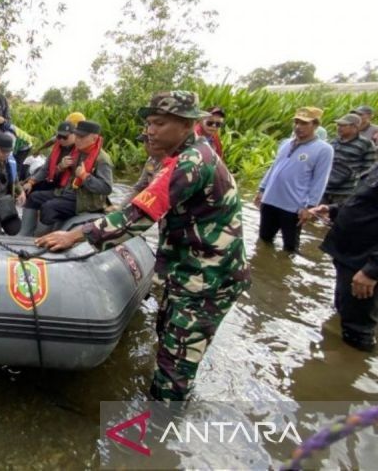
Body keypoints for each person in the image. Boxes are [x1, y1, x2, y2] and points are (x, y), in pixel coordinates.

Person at [36, 91, 250, 401]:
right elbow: (139, 197)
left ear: (187, 123)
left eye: (159, 123)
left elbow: (138, 217)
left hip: (209, 279)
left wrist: (75, 235)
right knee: (167, 340)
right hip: (188, 272)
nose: (150, 130)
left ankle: (164, 435)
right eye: (149, 123)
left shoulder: (191, 162)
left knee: (173, 373)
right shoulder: (178, 157)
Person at [307, 163, 378, 352]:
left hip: (365, 263)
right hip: (350, 255)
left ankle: (351, 369)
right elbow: (364, 201)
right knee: (344, 309)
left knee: (358, 328)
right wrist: (333, 209)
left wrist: (372, 271)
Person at [255, 107, 334, 252]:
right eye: (296, 122)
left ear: (316, 125)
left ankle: (284, 272)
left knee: (290, 247)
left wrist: (310, 207)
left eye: (304, 123)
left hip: (293, 207)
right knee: (264, 240)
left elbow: (320, 180)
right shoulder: (286, 143)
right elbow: (274, 167)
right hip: (270, 201)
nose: (298, 127)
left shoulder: (324, 149)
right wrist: (261, 190)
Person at [21, 120, 112, 236]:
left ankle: (40, 238)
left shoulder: (102, 159)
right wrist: (61, 167)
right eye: (77, 135)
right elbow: (49, 172)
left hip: (84, 201)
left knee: (49, 207)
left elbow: (106, 188)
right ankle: (25, 234)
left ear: (94, 138)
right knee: (34, 197)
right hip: (67, 192)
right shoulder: (78, 151)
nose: (77, 139)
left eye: (81, 137)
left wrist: (85, 176)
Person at [322, 113, 376, 204]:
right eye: (338, 125)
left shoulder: (365, 144)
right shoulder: (334, 142)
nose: (339, 128)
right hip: (327, 188)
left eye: (343, 125)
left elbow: (369, 169)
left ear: (354, 127)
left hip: (346, 192)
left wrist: (355, 180)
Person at [23, 121, 76, 194]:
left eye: (65, 137)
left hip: (65, 188)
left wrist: (60, 168)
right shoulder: (58, 146)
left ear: (75, 135)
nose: (61, 139)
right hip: (51, 180)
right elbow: (45, 168)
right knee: (26, 189)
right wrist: (31, 182)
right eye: (59, 136)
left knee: (36, 196)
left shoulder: (79, 150)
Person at [122, 133, 167, 205]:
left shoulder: (170, 163)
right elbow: (139, 186)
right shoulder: (151, 160)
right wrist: (121, 208)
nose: (144, 146)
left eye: (145, 143)